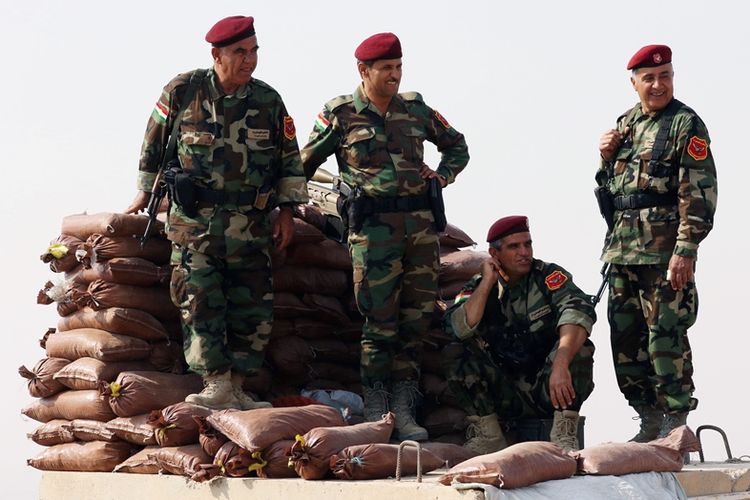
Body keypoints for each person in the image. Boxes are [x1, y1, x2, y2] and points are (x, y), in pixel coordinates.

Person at [124, 15, 309, 410]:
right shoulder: (183, 91)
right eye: (240, 52)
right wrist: (143, 193)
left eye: (254, 51)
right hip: (196, 227)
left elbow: (288, 162)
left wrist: (288, 211)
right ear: (216, 55)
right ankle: (215, 382)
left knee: (252, 308)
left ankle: (239, 385)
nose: (249, 60)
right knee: (199, 301)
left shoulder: (268, 101)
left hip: (251, 227)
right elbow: (153, 144)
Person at [300, 32, 469, 441]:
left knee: (415, 321)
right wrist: (288, 207)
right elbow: (304, 161)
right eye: (386, 69)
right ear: (364, 71)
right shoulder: (340, 114)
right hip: (373, 236)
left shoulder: (414, 108)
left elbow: (457, 146)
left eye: (398, 67)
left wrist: (441, 175)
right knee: (379, 323)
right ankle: (377, 405)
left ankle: (405, 407)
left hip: (421, 232)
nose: (394, 75)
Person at [596, 44, 717, 441]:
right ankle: (647, 418)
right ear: (634, 83)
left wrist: (686, 249)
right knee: (625, 339)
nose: (658, 84)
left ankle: (676, 422)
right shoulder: (626, 124)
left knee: (665, 337)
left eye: (664, 75)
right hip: (622, 251)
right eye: (649, 78)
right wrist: (603, 157)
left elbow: (699, 193)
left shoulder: (686, 124)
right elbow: (611, 189)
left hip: (664, 253)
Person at [443, 216, 596, 453]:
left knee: (579, 347)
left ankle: (564, 432)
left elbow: (577, 310)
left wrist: (561, 363)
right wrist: (486, 284)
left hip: (550, 387)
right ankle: (489, 436)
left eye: (528, 244)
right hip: (505, 393)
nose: (524, 252)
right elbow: (459, 328)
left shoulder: (548, 276)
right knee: (457, 351)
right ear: (494, 254)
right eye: (514, 247)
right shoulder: (477, 286)